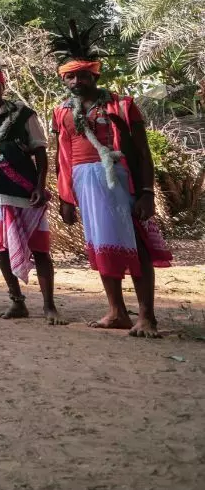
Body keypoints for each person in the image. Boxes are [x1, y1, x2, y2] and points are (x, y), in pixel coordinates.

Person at [50, 22, 171, 337]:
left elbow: (143, 154)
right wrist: (65, 197)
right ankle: (117, 311)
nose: (77, 81)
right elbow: (60, 156)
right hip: (83, 183)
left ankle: (147, 317)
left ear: (95, 76)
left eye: (83, 75)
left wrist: (146, 193)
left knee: (135, 244)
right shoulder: (61, 112)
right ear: (64, 79)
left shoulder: (122, 105)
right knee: (102, 245)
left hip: (120, 183)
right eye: (70, 76)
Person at [0, 52, 64, 323]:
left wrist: (41, 185)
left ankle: (49, 305)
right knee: (2, 249)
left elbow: (40, 152)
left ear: (2, 86)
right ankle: (17, 301)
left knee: (40, 249)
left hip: (25, 191)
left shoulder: (23, 114)